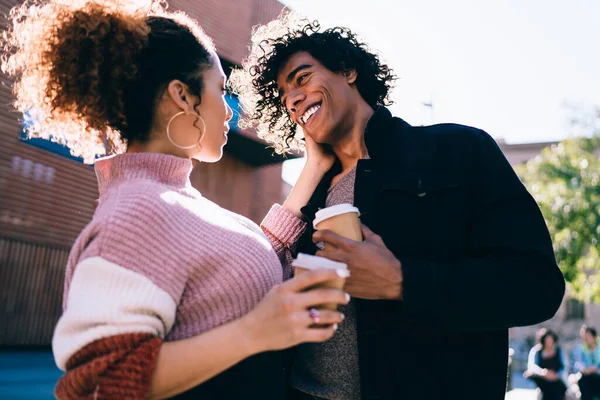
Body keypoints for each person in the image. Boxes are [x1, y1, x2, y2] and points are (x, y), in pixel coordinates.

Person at [1, 2, 350, 399]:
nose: (228, 111)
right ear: (182, 96)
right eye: (221, 89)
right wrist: (257, 331)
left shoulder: (175, 199)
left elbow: (241, 275)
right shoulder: (136, 212)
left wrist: (315, 165)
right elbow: (96, 386)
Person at [229, 12, 566, 400]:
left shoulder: (458, 152)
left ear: (348, 70)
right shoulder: (311, 192)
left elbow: (536, 287)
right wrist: (312, 171)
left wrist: (403, 281)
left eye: (302, 78)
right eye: (285, 97)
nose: (293, 99)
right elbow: (254, 280)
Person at [524, 328, 568, 400]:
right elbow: (532, 366)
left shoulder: (559, 351)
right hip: (542, 380)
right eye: (547, 341)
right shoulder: (536, 351)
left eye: (551, 340)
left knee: (554, 389)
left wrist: (555, 375)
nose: (549, 343)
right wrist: (544, 373)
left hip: (557, 380)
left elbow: (564, 367)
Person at [574, 326, 600, 400]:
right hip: (587, 378)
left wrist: (596, 369)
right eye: (583, 337)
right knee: (582, 380)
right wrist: (584, 369)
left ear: (594, 337)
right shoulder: (582, 349)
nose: (585, 339)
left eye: (587, 337)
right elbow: (577, 364)